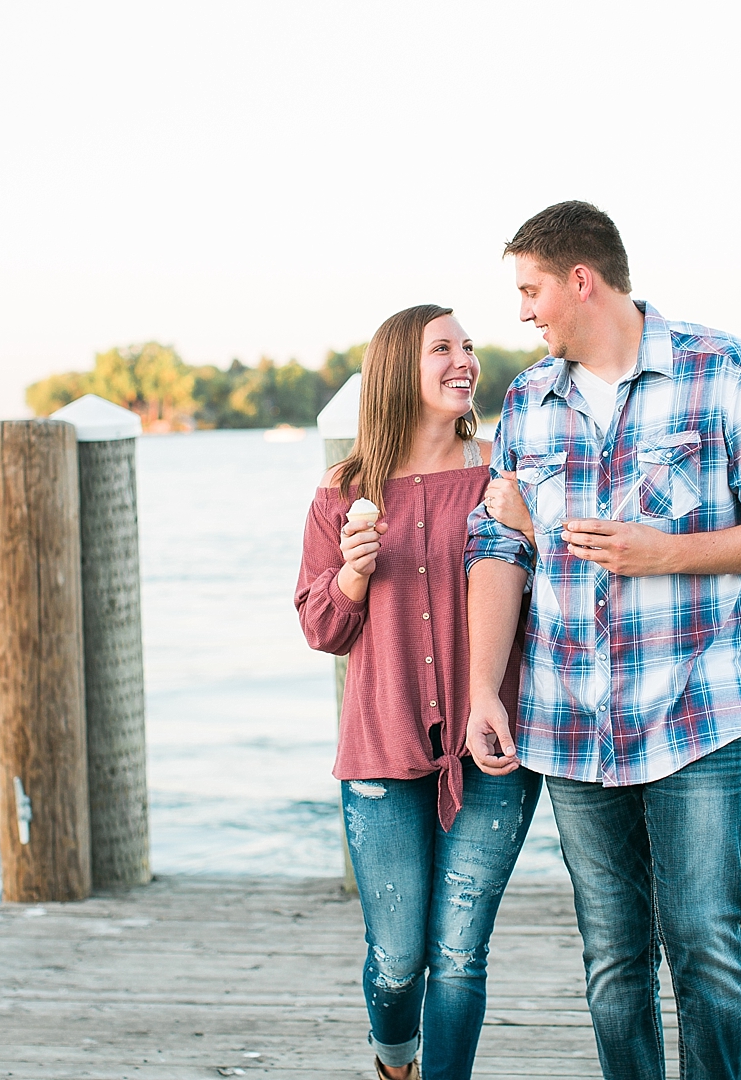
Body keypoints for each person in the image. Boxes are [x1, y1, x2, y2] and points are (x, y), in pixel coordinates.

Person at [465, 202, 741, 1080]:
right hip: (569, 719)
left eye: (531, 290)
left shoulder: (726, 370)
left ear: (580, 280)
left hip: (697, 710)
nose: (522, 313)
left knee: (704, 938)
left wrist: (666, 553)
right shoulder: (526, 399)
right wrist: (483, 686)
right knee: (612, 958)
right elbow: (498, 546)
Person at [295, 304, 543, 1080]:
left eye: (469, 347)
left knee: (461, 954)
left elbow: (561, 587)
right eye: (443, 347)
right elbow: (320, 625)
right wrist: (354, 572)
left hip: (494, 749)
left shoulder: (507, 475)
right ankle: (394, 1060)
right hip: (381, 749)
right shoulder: (344, 490)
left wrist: (534, 526)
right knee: (398, 960)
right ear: (401, 366)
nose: (464, 359)